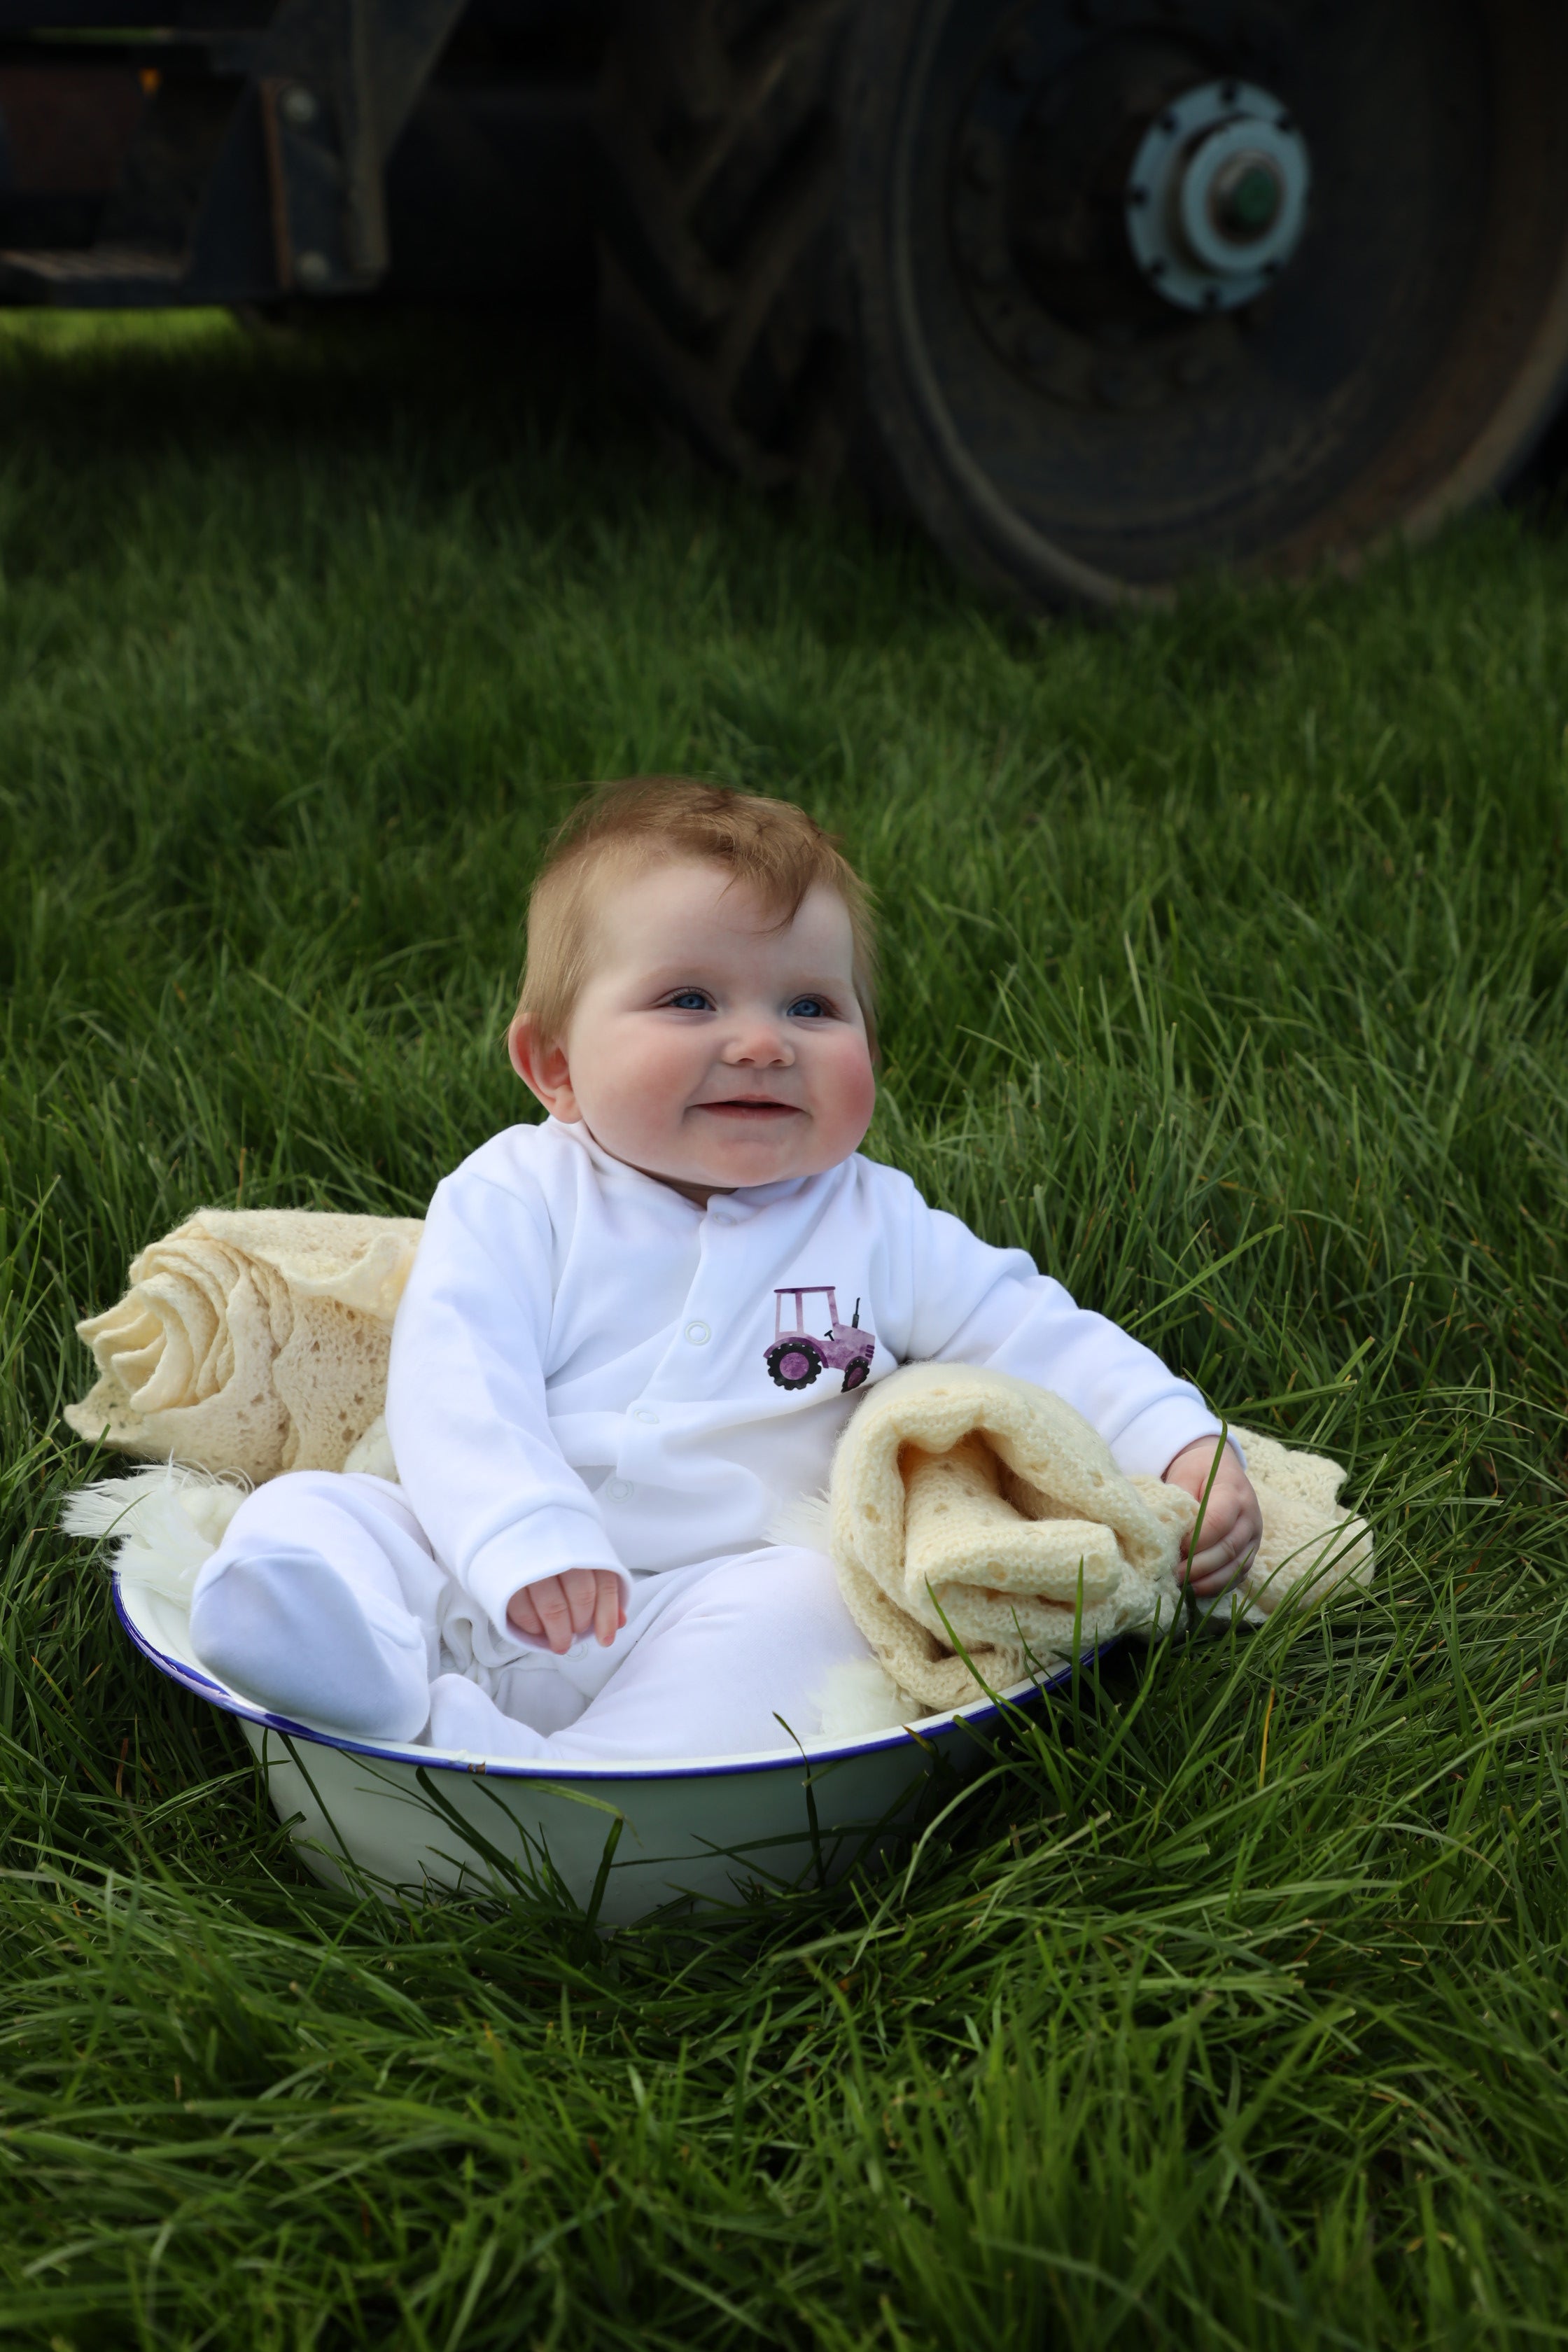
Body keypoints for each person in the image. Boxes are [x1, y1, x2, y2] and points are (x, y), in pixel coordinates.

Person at [189, 780, 1260, 1761]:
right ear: (555, 1066)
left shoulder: (875, 1220)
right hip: (477, 1568)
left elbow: (1028, 1331)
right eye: (691, 1001)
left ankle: (584, 1776)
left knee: (815, 1608)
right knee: (318, 1516)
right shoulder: (518, 1193)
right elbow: (460, 1378)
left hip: (713, 1592)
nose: (760, 1043)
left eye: (811, 1007)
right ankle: (349, 1661)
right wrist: (523, 1532)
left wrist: (1179, 1444)